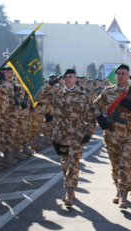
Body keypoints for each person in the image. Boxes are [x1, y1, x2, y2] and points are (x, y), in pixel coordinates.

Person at [93, 64, 131, 209]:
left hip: (129, 136)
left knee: (125, 165)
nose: (120, 76)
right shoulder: (108, 92)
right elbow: (95, 105)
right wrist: (99, 117)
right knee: (115, 166)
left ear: (128, 76)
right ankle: (118, 189)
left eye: (123, 73)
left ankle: (123, 195)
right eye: (118, 73)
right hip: (111, 135)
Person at [36, 68, 96, 207]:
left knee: (73, 163)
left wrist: (89, 133)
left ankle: (69, 192)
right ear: (62, 80)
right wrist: (51, 83)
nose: (68, 79)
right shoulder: (56, 95)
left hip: (76, 136)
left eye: (71, 77)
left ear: (76, 79)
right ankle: (70, 186)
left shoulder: (85, 96)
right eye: (65, 77)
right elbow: (39, 97)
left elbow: (91, 116)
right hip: (60, 136)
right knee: (64, 163)